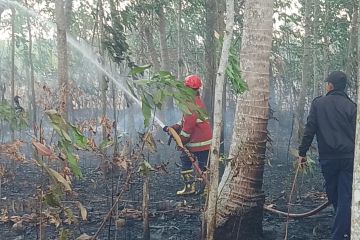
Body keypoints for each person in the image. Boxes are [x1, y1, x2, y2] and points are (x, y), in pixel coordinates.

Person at [298, 71, 356, 240]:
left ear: (330, 85)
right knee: (339, 196)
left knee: (339, 195)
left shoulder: (318, 104)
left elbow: (310, 129)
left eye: (326, 83)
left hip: (329, 159)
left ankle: (339, 235)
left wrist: (302, 152)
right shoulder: (351, 106)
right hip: (348, 158)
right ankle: (345, 226)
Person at [163, 75, 212, 196]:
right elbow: (186, 121)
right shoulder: (195, 102)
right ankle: (205, 189)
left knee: (190, 162)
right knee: (203, 164)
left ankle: (195, 188)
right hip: (202, 141)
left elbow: (188, 129)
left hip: (198, 142)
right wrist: (176, 126)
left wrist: (181, 141)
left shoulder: (191, 105)